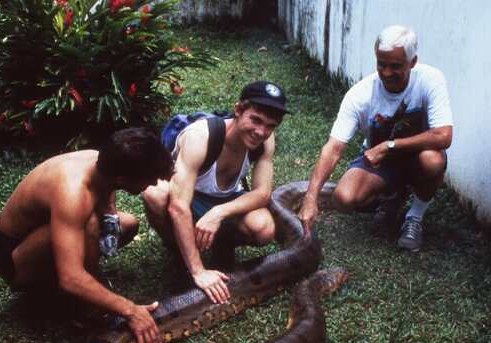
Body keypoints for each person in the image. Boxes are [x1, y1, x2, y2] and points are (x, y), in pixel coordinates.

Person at [0, 127, 173, 343]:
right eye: (149, 177)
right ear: (122, 178)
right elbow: (70, 278)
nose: (153, 183)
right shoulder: (73, 193)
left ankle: (89, 282)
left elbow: (107, 191)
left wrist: (110, 213)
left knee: (127, 224)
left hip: (46, 229)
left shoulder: (101, 162)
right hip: (11, 256)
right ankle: (78, 304)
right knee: (89, 226)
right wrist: (130, 310)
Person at [298, 25, 453, 252]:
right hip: (379, 162)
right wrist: (310, 198)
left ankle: (414, 217)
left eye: (395, 66)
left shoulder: (431, 79)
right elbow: (333, 148)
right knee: (344, 198)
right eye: (382, 64)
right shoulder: (360, 94)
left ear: (413, 62)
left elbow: (443, 135)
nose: (387, 72)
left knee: (433, 161)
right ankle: (392, 196)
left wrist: (390, 146)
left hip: (417, 156)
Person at [142, 81, 290, 304]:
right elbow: (178, 206)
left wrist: (218, 213)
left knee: (264, 228)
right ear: (238, 110)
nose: (261, 131)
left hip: (224, 199)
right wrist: (198, 271)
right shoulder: (200, 137)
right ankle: (183, 258)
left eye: (270, 125)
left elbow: (262, 193)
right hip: (188, 197)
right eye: (255, 120)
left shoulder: (265, 140)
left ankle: (222, 246)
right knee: (155, 194)